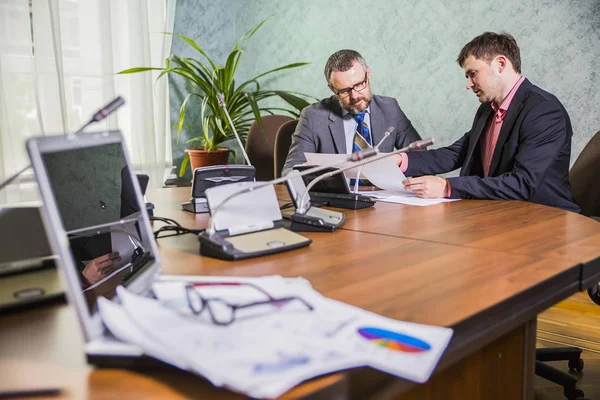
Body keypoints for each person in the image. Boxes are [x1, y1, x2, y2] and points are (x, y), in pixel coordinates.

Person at [398, 32, 580, 213]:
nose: (468, 85)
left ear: (500, 64)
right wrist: (400, 160)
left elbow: (522, 183)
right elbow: (456, 154)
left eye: (473, 74)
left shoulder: (544, 111)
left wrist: (447, 187)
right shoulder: (487, 109)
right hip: (500, 212)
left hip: (545, 216)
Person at [282, 49, 421, 176]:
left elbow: (421, 158)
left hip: (384, 196)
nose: (354, 96)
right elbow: (291, 170)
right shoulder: (313, 116)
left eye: (360, 84)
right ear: (332, 89)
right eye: (344, 91)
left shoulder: (390, 108)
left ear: (368, 74)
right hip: (337, 199)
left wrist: (399, 165)